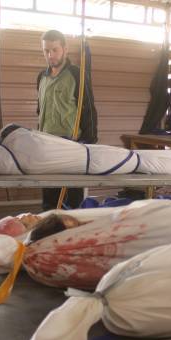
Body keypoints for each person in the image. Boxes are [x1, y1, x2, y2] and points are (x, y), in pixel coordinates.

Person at [37, 29, 98, 210]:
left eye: (54, 50)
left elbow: (89, 110)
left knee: (72, 202)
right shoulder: (41, 77)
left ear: (65, 48)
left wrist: (89, 143)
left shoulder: (76, 75)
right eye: (46, 51)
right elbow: (39, 111)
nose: (50, 55)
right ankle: (49, 234)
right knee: (49, 201)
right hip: (46, 146)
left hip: (70, 147)